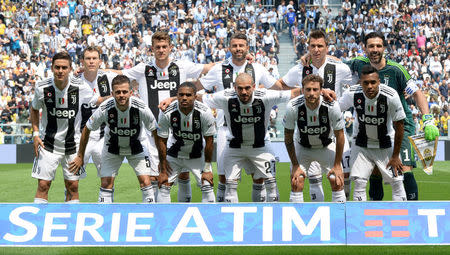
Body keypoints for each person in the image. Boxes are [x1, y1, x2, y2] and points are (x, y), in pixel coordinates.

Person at [110, 31, 212, 202]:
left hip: (179, 129)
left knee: (183, 174)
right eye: (158, 47)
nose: (161, 50)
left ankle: (182, 207)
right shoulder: (144, 68)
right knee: (157, 176)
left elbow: (208, 68)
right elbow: (118, 72)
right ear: (152, 49)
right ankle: (158, 213)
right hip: (153, 132)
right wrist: (95, 68)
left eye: (164, 47)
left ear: (171, 48)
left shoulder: (182, 66)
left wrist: (241, 61)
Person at [343, 32, 439, 201]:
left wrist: (428, 119)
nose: (374, 50)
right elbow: (335, 63)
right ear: (365, 48)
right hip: (376, 127)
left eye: (378, 46)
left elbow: (417, 93)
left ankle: (411, 211)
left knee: (403, 168)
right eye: (371, 46)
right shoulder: (359, 64)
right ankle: (374, 210)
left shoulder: (396, 70)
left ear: (384, 48)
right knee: (373, 170)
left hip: (400, 125)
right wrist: (309, 57)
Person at [196, 32, 287, 202]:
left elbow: (278, 87)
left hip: (257, 130)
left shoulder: (258, 68)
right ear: (229, 47)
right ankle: (224, 214)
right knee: (224, 177)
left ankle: (259, 215)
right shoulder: (219, 69)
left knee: (259, 177)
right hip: (227, 130)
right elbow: (197, 87)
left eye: (241, 46)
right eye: (235, 46)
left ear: (247, 48)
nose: (238, 49)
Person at [200, 73, 300, 202]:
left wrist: (322, 90)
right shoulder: (225, 97)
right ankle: (231, 220)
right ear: (234, 87)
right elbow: (198, 97)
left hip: (261, 146)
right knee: (229, 186)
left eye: (247, 88)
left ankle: (270, 217)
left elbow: (293, 93)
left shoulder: (266, 96)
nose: (244, 92)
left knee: (272, 185)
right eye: (240, 88)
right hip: (234, 147)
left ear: (254, 86)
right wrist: (172, 99)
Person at [280, 30, 353, 200]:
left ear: (327, 48)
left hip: (333, 131)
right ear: (308, 48)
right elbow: (281, 84)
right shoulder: (300, 68)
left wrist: (337, 59)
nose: (316, 49)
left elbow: (360, 77)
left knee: (344, 176)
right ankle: (317, 212)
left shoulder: (339, 67)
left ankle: (343, 211)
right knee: (312, 179)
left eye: (320, 46)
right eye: (312, 46)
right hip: (306, 131)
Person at [69, 75, 158, 203]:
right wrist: (80, 155)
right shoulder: (105, 107)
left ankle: (149, 218)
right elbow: (87, 128)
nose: (121, 95)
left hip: (137, 148)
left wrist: (162, 160)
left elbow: (155, 131)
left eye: (125, 92)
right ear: (112, 93)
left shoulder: (141, 107)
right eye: (118, 92)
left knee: (146, 182)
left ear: (131, 93)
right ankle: (106, 218)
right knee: (106, 183)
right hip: (112, 149)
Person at [30, 51, 99, 203]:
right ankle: (39, 224)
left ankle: (72, 225)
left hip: (73, 145)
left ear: (70, 69)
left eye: (64, 68)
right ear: (52, 68)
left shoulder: (81, 87)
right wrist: (35, 134)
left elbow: (96, 102)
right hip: (48, 144)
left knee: (73, 186)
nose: (60, 71)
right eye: (57, 67)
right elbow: (34, 108)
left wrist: (115, 96)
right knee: (43, 185)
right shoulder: (42, 87)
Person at [339, 65, 407, 201]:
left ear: (379, 82)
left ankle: (401, 219)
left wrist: (395, 156)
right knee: (359, 183)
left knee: (398, 182)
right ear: (360, 83)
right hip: (361, 145)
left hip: (386, 144)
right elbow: (335, 109)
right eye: (366, 83)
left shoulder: (390, 95)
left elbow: (400, 126)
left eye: (373, 82)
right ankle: (359, 220)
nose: (369, 86)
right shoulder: (352, 93)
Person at [284, 74, 346, 202]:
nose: (311, 93)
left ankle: (339, 218)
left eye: (315, 90)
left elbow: (340, 135)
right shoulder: (293, 106)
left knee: (337, 180)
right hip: (303, 147)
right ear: (302, 90)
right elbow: (288, 136)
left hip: (326, 146)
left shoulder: (332, 106)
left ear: (321, 90)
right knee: (296, 181)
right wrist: (295, 165)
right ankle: (297, 217)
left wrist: (337, 165)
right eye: (308, 89)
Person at [157, 82, 216, 203]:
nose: (184, 98)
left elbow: (209, 141)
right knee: (163, 185)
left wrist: (207, 168)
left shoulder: (204, 112)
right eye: (181, 95)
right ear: (177, 96)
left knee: (207, 185)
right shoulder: (167, 112)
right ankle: (163, 220)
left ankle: (210, 219)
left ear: (195, 97)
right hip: (174, 155)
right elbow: (161, 141)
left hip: (197, 156)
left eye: (188, 95)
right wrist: (163, 168)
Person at [78, 46, 117, 177]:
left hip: (103, 136)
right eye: (88, 58)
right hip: (81, 136)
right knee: (73, 178)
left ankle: (106, 198)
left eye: (94, 58)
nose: (91, 61)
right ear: (82, 61)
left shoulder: (108, 77)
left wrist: (106, 70)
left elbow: (130, 79)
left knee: (107, 178)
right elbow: (97, 100)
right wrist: (110, 97)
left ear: (100, 61)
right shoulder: (75, 82)